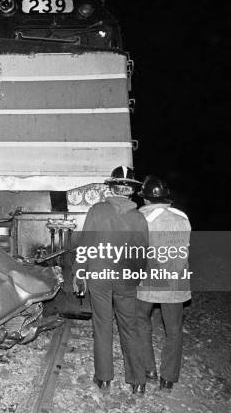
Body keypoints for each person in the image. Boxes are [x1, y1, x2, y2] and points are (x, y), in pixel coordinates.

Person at [73, 166, 148, 395]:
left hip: (99, 277)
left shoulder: (97, 211)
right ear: (131, 191)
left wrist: (79, 274)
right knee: (130, 326)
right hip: (126, 279)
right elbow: (142, 253)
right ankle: (137, 381)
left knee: (102, 325)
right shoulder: (138, 218)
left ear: (112, 187)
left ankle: (104, 378)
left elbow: (85, 246)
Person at [135, 175, 191, 392]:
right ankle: (168, 379)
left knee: (141, 321)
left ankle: (148, 369)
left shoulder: (141, 218)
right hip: (176, 284)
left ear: (146, 199)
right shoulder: (183, 217)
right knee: (175, 330)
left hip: (148, 283)